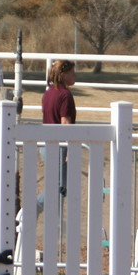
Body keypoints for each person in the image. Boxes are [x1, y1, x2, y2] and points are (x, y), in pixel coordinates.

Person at [38, 59, 77, 212]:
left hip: (46, 145)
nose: (75, 75)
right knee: (58, 189)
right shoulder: (65, 95)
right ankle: (29, 210)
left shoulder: (47, 94)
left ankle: (56, 224)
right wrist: (70, 147)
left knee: (56, 188)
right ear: (63, 74)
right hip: (59, 146)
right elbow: (65, 123)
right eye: (72, 72)